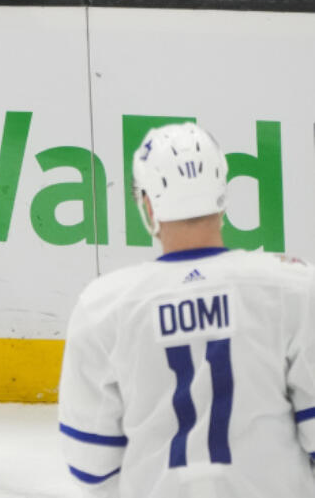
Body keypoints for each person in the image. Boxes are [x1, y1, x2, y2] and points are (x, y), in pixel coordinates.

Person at [58, 122, 315, 496]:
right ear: (222, 197)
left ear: (147, 203)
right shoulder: (292, 287)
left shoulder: (103, 306)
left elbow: (90, 464)